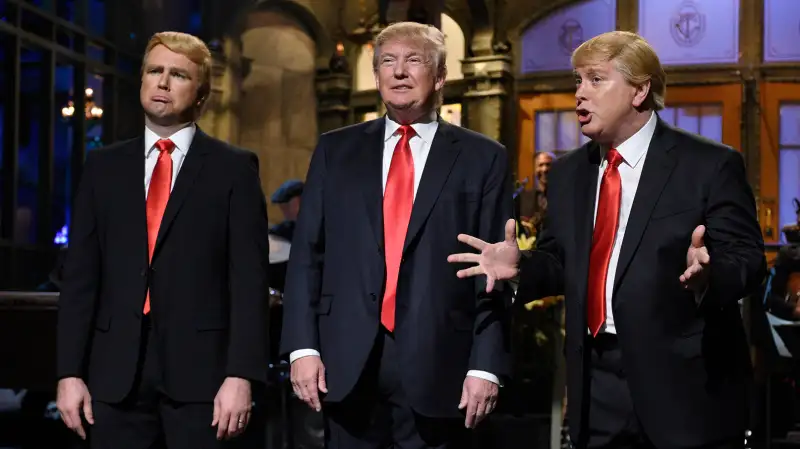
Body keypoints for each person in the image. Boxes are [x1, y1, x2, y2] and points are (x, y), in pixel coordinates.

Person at [448, 31, 766, 449]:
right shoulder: (566, 175)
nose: (579, 94)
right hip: (595, 388)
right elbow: (562, 261)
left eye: (595, 80)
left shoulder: (709, 165)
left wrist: (710, 274)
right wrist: (522, 267)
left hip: (684, 389)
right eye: (577, 81)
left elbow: (747, 259)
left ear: (639, 90)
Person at [280, 21, 513, 449]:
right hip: (345, 361)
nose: (399, 72)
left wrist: (486, 366)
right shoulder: (336, 150)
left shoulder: (484, 159)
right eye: (387, 61)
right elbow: (306, 257)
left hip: (441, 363)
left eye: (414, 60)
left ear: (441, 77)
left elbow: (493, 272)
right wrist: (301, 349)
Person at [55, 31, 271, 449]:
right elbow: (80, 279)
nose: (163, 82)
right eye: (155, 71)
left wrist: (241, 375)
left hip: (203, 380)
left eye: (178, 74)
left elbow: (248, 282)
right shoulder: (103, 167)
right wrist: (69, 373)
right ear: (141, 81)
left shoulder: (234, 169)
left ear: (202, 95)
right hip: (114, 375)